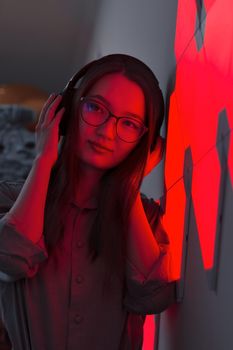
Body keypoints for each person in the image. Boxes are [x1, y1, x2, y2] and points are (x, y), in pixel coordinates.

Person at [0, 54, 176, 350]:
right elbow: (11, 258)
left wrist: (129, 189)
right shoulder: (12, 198)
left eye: (130, 124)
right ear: (66, 111)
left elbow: (152, 296)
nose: (107, 131)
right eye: (95, 108)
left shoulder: (145, 217)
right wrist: (43, 159)